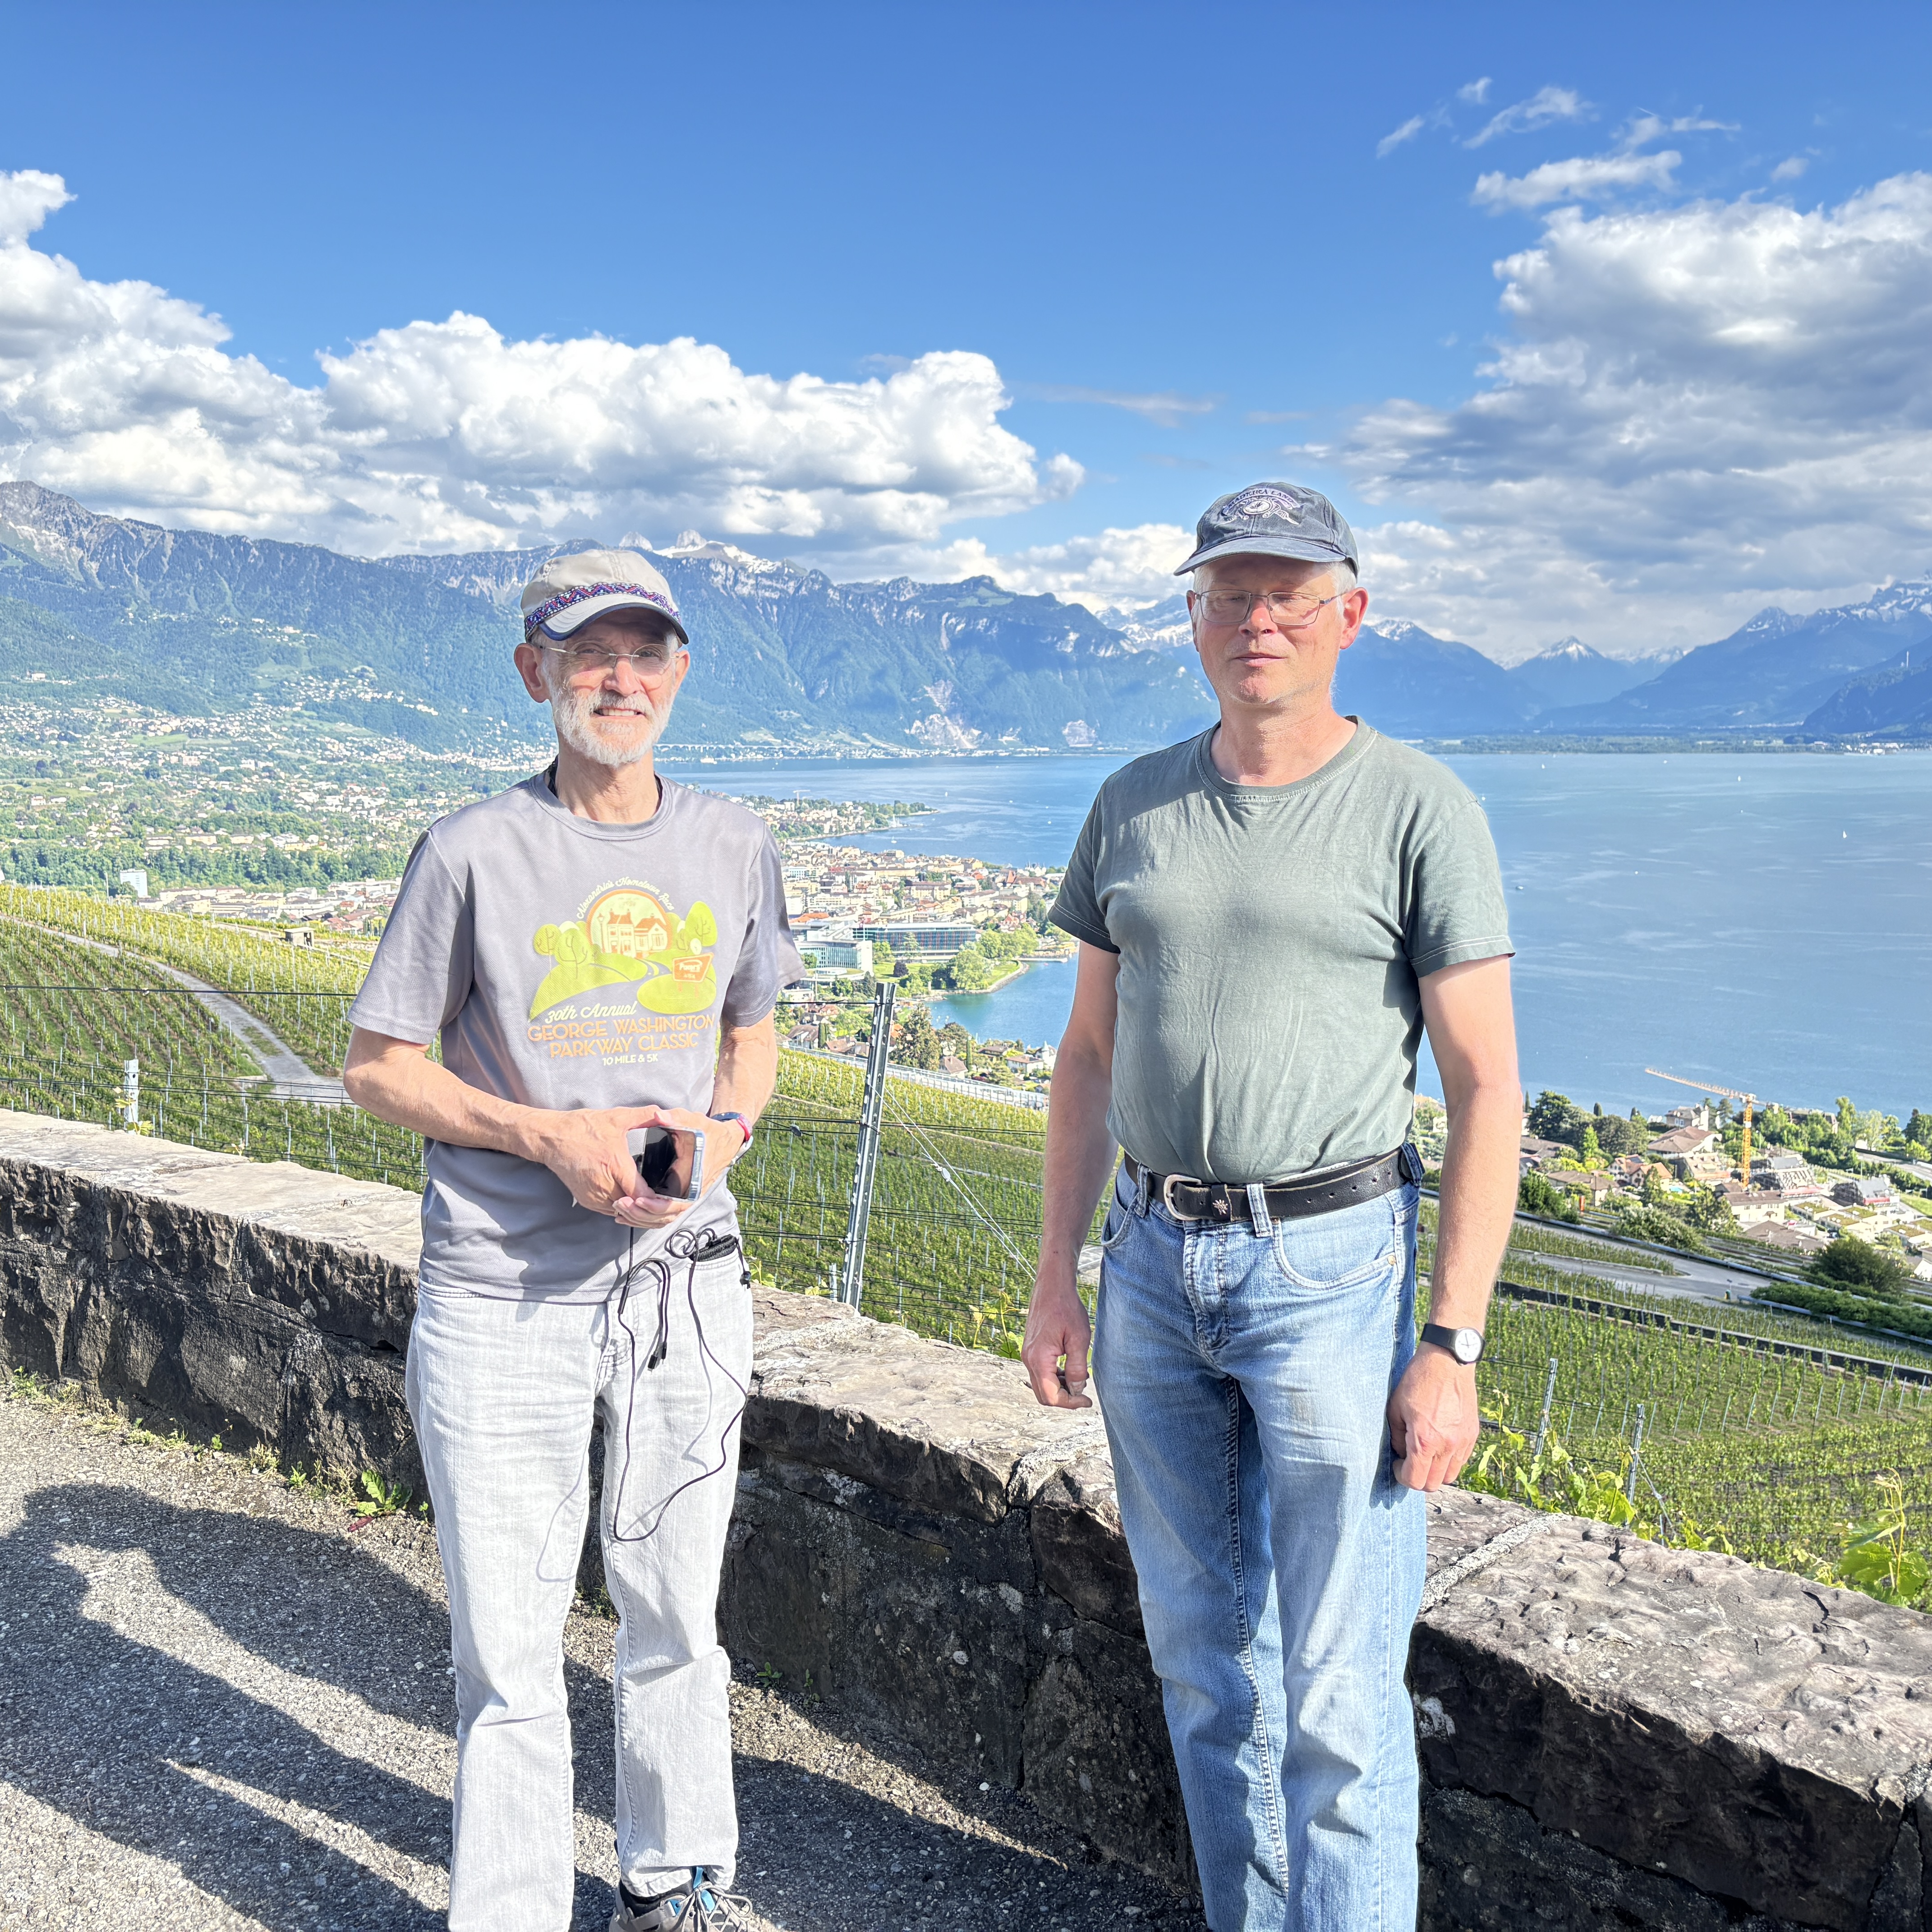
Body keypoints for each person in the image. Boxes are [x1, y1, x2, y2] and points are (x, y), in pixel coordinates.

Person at [1019, 484, 1520, 1932]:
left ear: (1348, 616)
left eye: (1290, 594)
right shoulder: (1132, 802)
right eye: (1228, 593)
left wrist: (1453, 1344)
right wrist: (1057, 1275)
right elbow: (1089, 1056)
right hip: (1152, 1262)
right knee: (1198, 1666)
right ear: (1190, 618)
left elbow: (1489, 1087)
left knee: (1341, 1692)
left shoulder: (1420, 807)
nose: (1258, 621)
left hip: (1332, 1269)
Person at [343, 548, 798, 1932]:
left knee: (675, 1609)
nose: (620, 677)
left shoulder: (733, 841)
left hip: (684, 1288)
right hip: (505, 1292)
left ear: (677, 673)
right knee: (511, 1640)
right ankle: (511, 1910)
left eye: (645, 652)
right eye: (587, 652)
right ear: (536, 670)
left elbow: (756, 1039)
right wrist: (547, 1138)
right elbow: (377, 1065)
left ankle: (674, 1876)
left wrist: (715, 1142)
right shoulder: (471, 850)